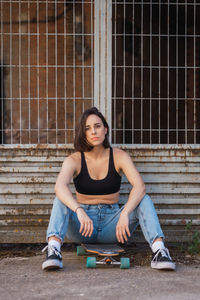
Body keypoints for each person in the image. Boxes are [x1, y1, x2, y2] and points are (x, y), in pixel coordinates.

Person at [42, 107, 176, 271]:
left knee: (144, 199)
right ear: (83, 133)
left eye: (97, 126)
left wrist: (125, 212)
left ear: (105, 129)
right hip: (83, 227)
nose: (93, 132)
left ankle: (160, 252)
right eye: (87, 128)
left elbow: (140, 186)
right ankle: (53, 250)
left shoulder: (119, 156)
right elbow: (59, 186)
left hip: (113, 226)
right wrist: (79, 210)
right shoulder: (74, 160)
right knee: (60, 199)